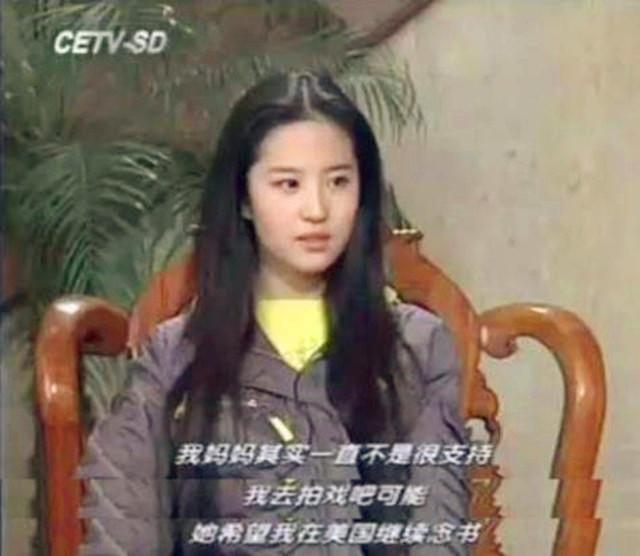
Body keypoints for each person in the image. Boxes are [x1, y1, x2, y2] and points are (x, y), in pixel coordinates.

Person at [75, 70, 472, 555]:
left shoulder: (417, 347)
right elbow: (122, 536)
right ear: (243, 199)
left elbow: (439, 534)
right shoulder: (173, 358)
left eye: (338, 182)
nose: (317, 209)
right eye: (289, 184)